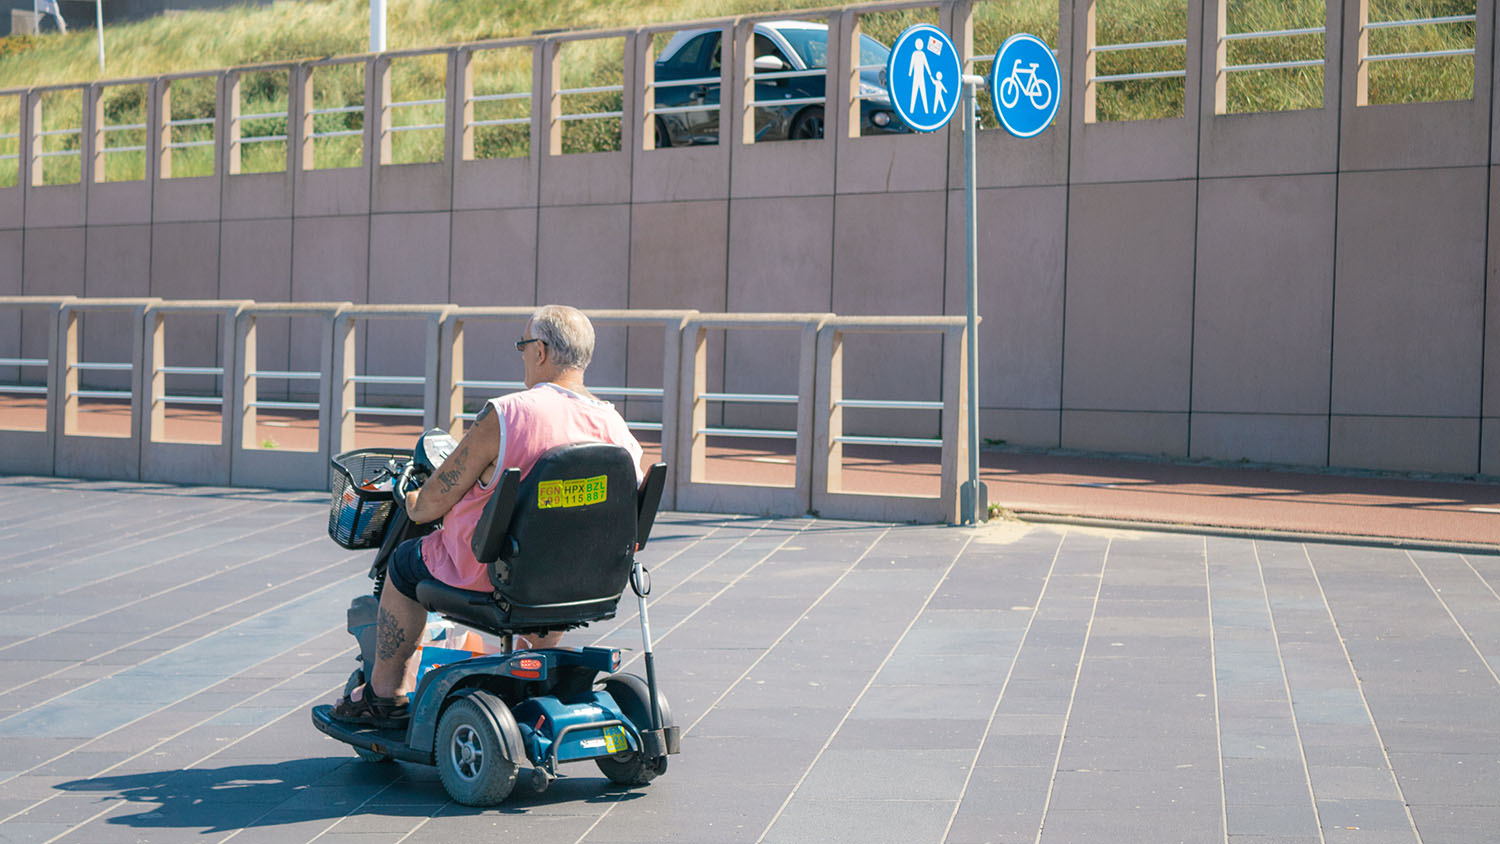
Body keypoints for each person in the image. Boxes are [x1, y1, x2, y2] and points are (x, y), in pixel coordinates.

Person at [330, 305, 644, 728]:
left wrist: (414, 497)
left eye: (523, 345)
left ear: (542, 352)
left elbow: (431, 503)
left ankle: (384, 696)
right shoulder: (615, 426)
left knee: (405, 565)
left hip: (493, 575)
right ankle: (534, 667)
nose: (521, 354)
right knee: (552, 551)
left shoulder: (509, 414)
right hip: (583, 579)